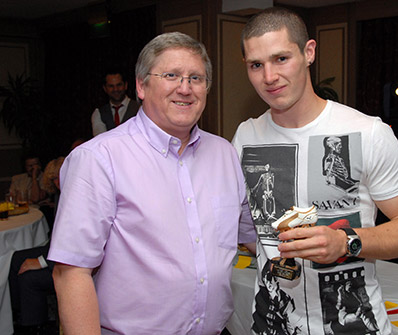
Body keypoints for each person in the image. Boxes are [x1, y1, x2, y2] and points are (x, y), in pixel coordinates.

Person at [232, 7, 398, 335]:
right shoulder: (245, 137)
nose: (269, 77)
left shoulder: (367, 133)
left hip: (353, 327)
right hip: (272, 325)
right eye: (256, 65)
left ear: (309, 52)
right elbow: (249, 229)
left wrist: (346, 241)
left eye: (281, 58)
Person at [48, 32, 256, 335]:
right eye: (171, 75)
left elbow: (250, 235)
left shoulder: (224, 153)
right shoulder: (98, 159)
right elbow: (71, 273)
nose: (185, 88)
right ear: (141, 86)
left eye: (196, 78)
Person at [9, 157, 64, 335]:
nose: (58, 182)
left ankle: (34, 327)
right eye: (54, 179)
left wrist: (40, 262)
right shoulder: (61, 194)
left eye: (60, 177)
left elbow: (72, 243)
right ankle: (17, 314)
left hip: (69, 260)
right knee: (16, 257)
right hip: (57, 249)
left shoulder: (77, 197)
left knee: (28, 278)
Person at [91, 68, 140, 136]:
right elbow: (100, 140)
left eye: (119, 85)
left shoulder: (140, 109)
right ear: (105, 88)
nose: (115, 89)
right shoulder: (99, 113)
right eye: (111, 86)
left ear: (125, 85)